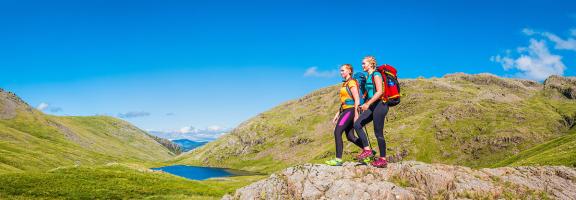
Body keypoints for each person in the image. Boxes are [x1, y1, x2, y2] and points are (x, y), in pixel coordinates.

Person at [325, 64, 373, 166]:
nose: (341, 72)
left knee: (337, 132)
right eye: (340, 71)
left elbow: (356, 99)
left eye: (343, 70)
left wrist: (356, 114)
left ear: (349, 71)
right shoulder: (345, 83)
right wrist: (338, 113)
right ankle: (369, 152)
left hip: (350, 111)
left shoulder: (351, 82)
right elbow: (344, 101)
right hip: (346, 110)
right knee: (350, 136)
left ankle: (338, 159)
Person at [354, 56, 389, 168]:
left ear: (371, 64)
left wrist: (368, 104)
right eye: (362, 63)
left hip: (380, 105)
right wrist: (363, 103)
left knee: (378, 133)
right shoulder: (368, 76)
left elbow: (379, 92)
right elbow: (368, 93)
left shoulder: (376, 74)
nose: (362, 65)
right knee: (357, 124)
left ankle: (383, 159)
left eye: (364, 63)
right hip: (372, 105)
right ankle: (367, 150)